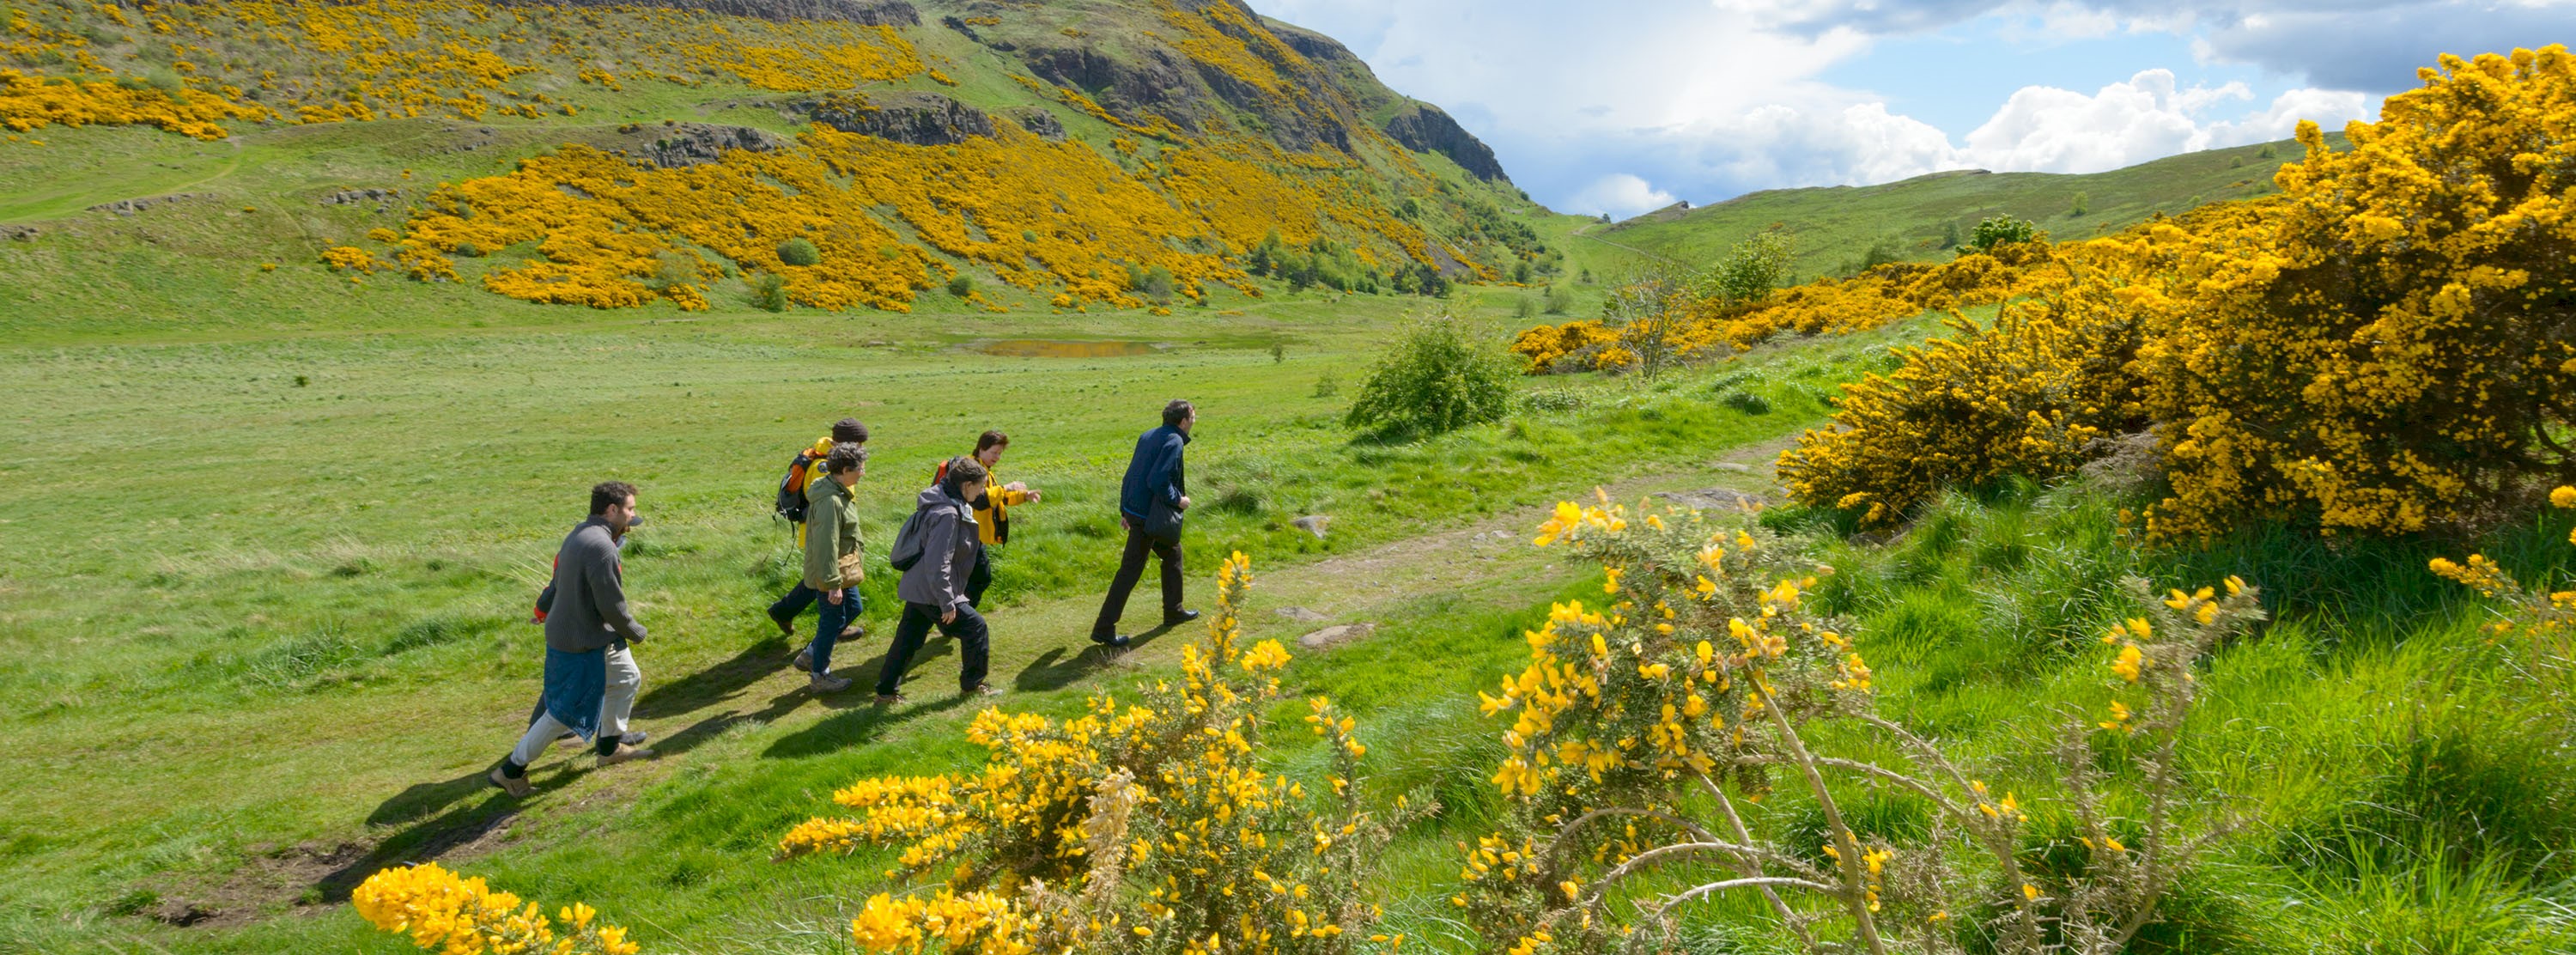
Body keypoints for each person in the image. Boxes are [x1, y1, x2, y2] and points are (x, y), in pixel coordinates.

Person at [491, 482, 657, 797]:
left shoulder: (580, 534)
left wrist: (542, 610)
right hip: (580, 639)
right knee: (563, 713)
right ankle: (511, 770)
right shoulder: (601, 548)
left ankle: (609, 749)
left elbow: (556, 584)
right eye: (630, 509)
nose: (634, 515)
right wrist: (635, 631)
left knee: (625, 678)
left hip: (587, 633)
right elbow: (612, 604)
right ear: (612, 510)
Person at [875, 457, 1000, 704]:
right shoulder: (947, 513)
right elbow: (938, 562)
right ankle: (973, 685)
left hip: (918, 587)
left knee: (907, 640)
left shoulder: (942, 499)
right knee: (975, 628)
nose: (982, 491)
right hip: (933, 590)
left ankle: (885, 692)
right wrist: (947, 601)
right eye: (980, 486)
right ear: (966, 486)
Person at [1089, 400, 1200, 647]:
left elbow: (1131, 476)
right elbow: (1158, 479)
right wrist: (1179, 500)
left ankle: (1174, 610)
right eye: (1193, 416)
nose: (1194, 420)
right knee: (1129, 572)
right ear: (1183, 421)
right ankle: (1104, 628)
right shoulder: (1175, 441)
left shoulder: (1149, 435)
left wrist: (1125, 511)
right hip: (1150, 518)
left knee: (1172, 554)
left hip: (1137, 512)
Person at [768, 417, 870, 639]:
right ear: (845, 444)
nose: (862, 449)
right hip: (823, 533)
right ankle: (827, 636)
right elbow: (827, 505)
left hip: (826, 531)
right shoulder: (824, 466)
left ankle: (783, 612)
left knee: (818, 581)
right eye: (859, 444)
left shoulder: (826, 456)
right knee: (829, 580)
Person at [933, 430, 1040, 609]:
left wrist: (1024, 496)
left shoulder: (982, 468)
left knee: (967, 581)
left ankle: (950, 616)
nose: (997, 457)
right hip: (965, 535)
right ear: (982, 448)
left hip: (971, 535)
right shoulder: (970, 468)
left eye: (1000, 453)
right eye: (994, 452)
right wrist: (1007, 487)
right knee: (981, 578)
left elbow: (996, 498)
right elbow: (981, 501)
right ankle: (959, 618)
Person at [794, 442, 868, 692]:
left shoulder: (837, 491)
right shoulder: (831, 501)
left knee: (853, 608)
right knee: (831, 620)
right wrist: (832, 584)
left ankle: (811, 653)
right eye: (860, 468)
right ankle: (820, 676)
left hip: (842, 569)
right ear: (845, 470)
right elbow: (826, 544)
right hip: (832, 572)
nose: (863, 473)